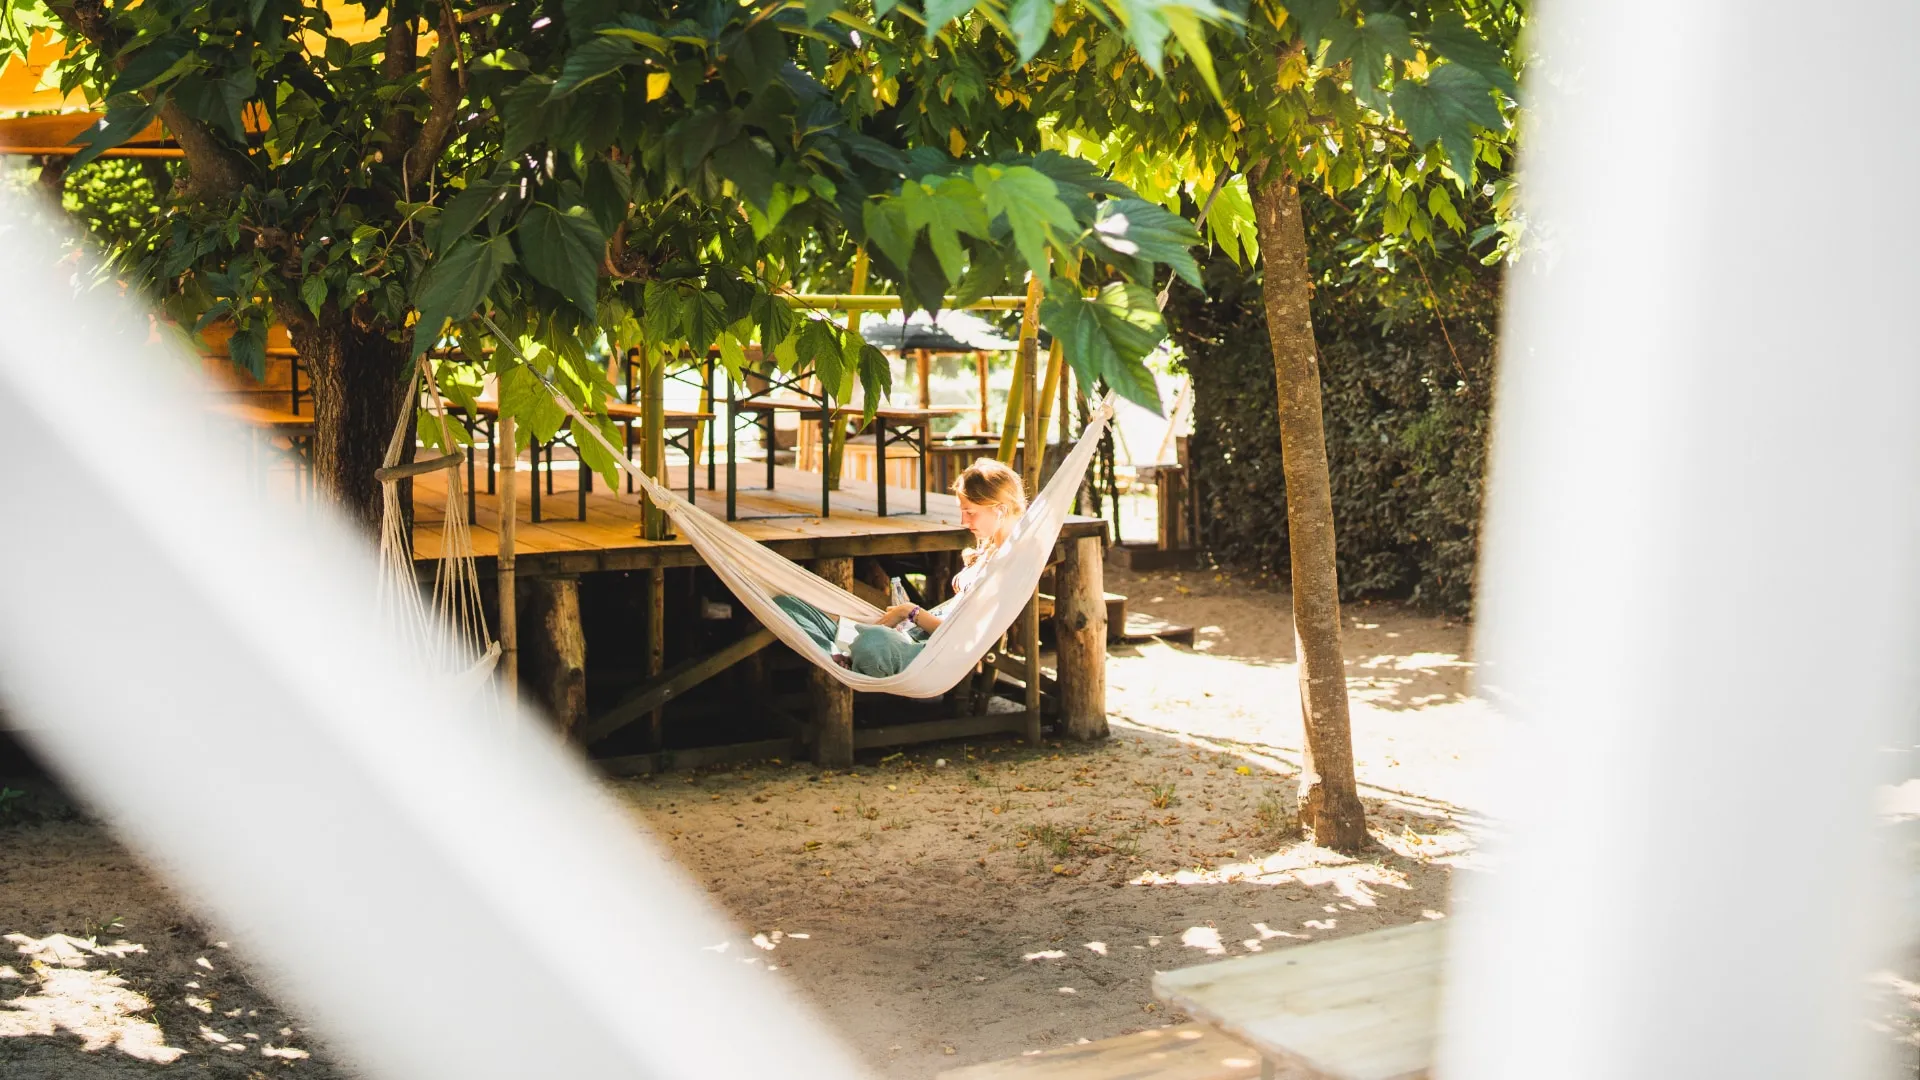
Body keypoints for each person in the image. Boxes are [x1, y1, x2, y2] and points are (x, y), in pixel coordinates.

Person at [773, 458, 1027, 677]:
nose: (963, 521)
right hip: (914, 635)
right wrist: (906, 619)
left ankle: (854, 654)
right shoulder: (989, 551)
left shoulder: (1010, 565)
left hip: (932, 654)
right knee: (788, 606)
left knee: (874, 643)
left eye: (970, 512)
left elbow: (961, 636)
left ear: (1000, 510)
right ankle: (843, 654)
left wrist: (910, 611)